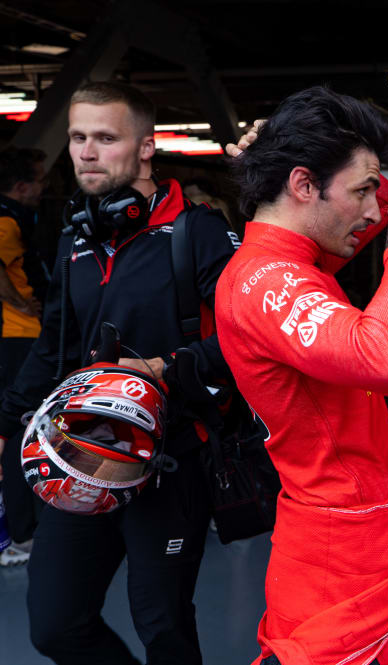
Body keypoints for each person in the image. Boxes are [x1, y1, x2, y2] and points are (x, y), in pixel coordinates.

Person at [217, 85, 388, 665]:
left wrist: (274, 155)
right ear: (304, 186)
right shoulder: (264, 279)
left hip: (377, 545)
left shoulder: (299, 255)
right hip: (339, 571)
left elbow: (370, 201)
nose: (376, 209)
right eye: (361, 192)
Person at [0, 81, 238, 664]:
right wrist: (6, 420)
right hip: (82, 454)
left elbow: (248, 342)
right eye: (78, 137)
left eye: (105, 138)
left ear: (147, 146)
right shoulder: (75, 237)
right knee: (55, 626)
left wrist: (170, 368)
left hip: (172, 460)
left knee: (164, 627)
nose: (86, 151)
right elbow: (56, 348)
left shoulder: (199, 233)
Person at [0, 147, 49, 567]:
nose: (42, 189)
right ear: (20, 186)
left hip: (19, 335)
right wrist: (23, 305)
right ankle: (24, 535)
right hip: (17, 336)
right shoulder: (5, 217)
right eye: (38, 181)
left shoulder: (16, 215)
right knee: (19, 431)